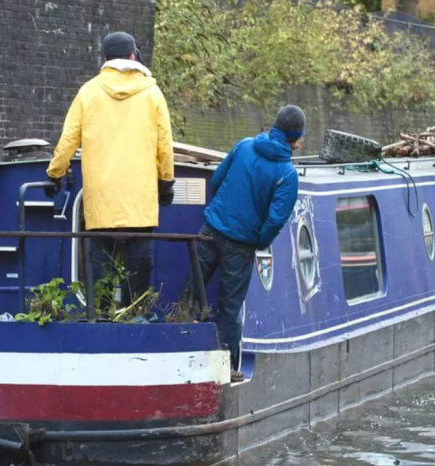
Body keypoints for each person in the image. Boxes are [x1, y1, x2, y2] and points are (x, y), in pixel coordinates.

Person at [45, 31, 175, 308]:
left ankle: (101, 317)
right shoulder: (152, 94)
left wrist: (55, 173)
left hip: (101, 197)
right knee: (139, 262)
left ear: (105, 59)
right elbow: (164, 145)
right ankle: (135, 314)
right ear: (133, 56)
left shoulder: (88, 92)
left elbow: (68, 139)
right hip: (140, 198)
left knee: (100, 260)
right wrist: (166, 182)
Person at [189, 105, 304, 382]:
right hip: (240, 245)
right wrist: (258, 240)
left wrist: (220, 212)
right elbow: (276, 219)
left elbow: (217, 180)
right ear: (296, 138)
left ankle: (181, 350)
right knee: (230, 307)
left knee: (193, 291)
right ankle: (223, 368)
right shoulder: (287, 174)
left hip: (210, 229)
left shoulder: (244, 146)